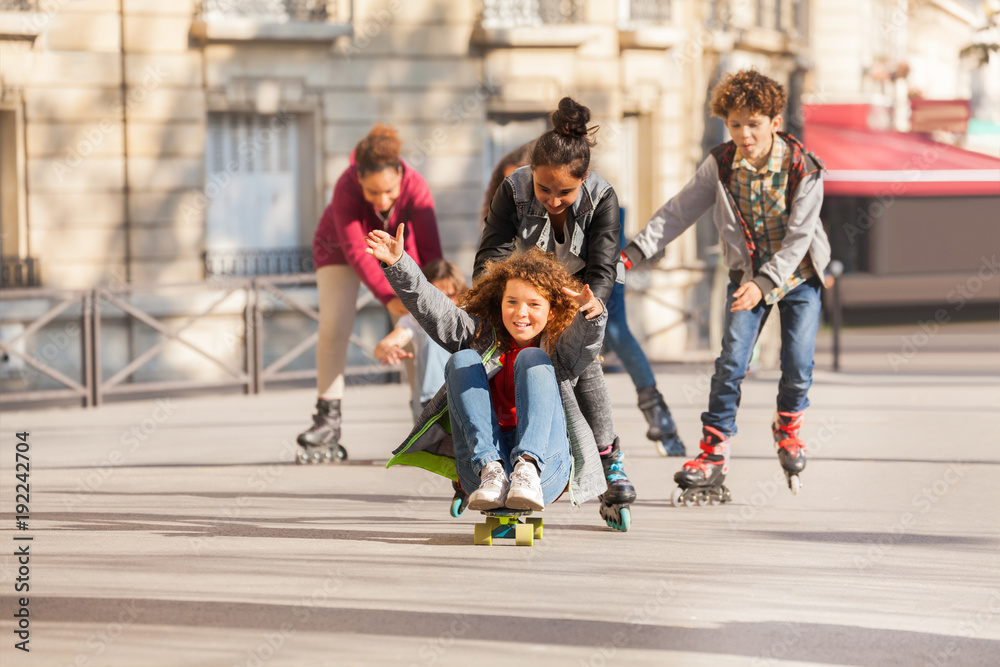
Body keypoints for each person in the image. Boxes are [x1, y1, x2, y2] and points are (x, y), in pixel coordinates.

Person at [620, 69, 830, 503]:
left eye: (753, 124)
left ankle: (788, 425)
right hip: (746, 273)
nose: (744, 134)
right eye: (735, 124)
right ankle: (712, 453)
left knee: (798, 361)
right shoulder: (721, 165)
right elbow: (677, 213)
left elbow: (799, 238)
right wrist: (631, 254)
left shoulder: (803, 168)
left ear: (775, 122)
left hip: (799, 275)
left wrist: (765, 283)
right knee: (732, 361)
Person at [368, 228, 610, 516]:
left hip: (545, 470)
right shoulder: (480, 334)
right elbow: (435, 310)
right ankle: (491, 469)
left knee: (533, 357)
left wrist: (591, 317)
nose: (521, 313)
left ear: (552, 312)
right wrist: (399, 265)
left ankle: (527, 466)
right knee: (463, 360)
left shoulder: (560, 349)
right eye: (512, 302)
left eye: (534, 304)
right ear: (500, 303)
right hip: (480, 475)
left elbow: (584, 344)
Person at [475, 97, 634, 531]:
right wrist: (491, 303)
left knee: (583, 368)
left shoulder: (602, 197)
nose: (551, 199)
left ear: (583, 181)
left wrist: (590, 307)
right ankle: (482, 464)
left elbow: (603, 268)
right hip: (524, 298)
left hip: (578, 299)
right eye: (544, 189)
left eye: (564, 192)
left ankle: (608, 460)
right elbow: (491, 252)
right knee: (504, 369)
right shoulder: (513, 188)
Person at [484, 142, 686, 458]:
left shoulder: (589, 202)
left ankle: (655, 413)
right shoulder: (510, 201)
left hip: (591, 269)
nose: (525, 199)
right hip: (549, 281)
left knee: (614, 329)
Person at [298, 124, 443, 464]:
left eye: (389, 191)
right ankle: (327, 420)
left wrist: (429, 301)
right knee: (334, 325)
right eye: (373, 193)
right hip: (338, 251)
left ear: (399, 174)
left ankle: (425, 416)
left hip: (398, 252)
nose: (383, 200)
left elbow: (432, 253)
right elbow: (354, 251)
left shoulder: (417, 188)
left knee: (414, 328)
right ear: (359, 179)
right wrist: (389, 297)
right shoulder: (346, 187)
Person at [373, 258, 467, 422]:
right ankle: (435, 406)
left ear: (461, 293)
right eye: (437, 295)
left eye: (450, 295)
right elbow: (383, 346)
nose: (444, 302)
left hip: (465, 396)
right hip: (429, 404)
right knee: (431, 329)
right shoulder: (418, 319)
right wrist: (389, 349)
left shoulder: (470, 314)